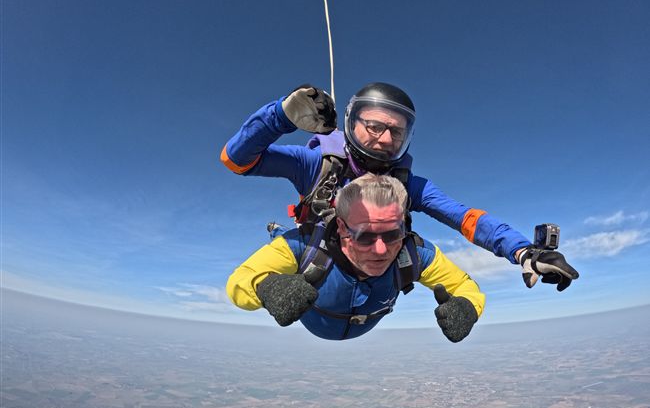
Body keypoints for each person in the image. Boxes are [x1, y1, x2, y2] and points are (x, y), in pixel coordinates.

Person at [221, 83, 579, 291]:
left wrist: (523, 251)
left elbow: (465, 218)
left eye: (396, 131)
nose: (385, 138)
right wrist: (279, 116)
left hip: (370, 280)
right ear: (351, 124)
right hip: (320, 269)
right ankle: (278, 232)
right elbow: (236, 159)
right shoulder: (316, 163)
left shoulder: (407, 185)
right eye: (374, 126)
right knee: (295, 242)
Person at [227, 174, 485, 342]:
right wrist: (267, 287)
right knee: (285, 240)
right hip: (312, 260)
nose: (381, 250)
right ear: (341, 228)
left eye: (393, 234)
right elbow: (239, 281)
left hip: (329, 321)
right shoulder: (303, 246)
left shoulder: (413, 253)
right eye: (365, 236)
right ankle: (276, 229)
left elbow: (464, 285)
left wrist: (468, 307)